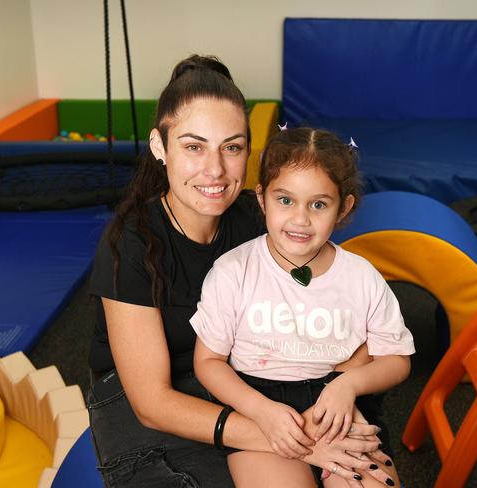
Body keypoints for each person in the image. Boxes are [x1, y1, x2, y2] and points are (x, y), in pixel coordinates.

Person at [88, 55, 391, 488]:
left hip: (253, 381)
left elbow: (345, 311)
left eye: (231, 147)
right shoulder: (131, 243)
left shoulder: (261, 217)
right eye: (194, 147)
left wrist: (334, 398)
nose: (215, 169)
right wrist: (303, 443)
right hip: (155, 404)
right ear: (160, 146)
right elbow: (152, 402)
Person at [192, 127, 415, 487]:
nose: (300, 219)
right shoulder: (233, 271)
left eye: (318, 204)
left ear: (343, 207)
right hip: (259, 405)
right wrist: (261, 411)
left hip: (338, 406)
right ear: (262, 199)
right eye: (285, 200)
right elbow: (208, 362)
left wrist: (347, 386)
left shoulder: (361, 276)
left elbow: (397, 359)